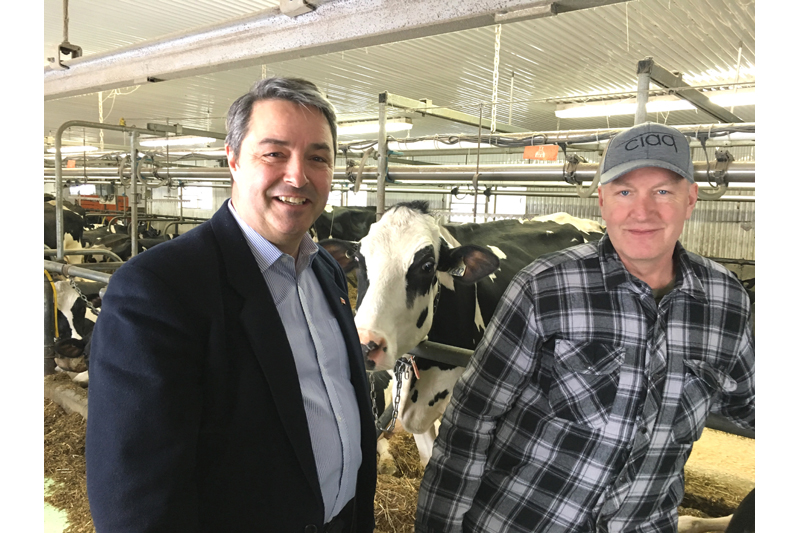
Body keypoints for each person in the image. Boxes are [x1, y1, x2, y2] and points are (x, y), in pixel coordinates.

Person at [415, 122, 755, 533]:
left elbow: (752, 405)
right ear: (602, 201)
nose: (642, 211)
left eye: (663, 191)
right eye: (625, 191)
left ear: (691, 199)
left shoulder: (727, 302)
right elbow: (472, 418)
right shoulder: (545, 286)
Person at [86, 77, 377, 533]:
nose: (298, 175)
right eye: (274, 153)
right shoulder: (156, 291)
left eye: (317, 157)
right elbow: (134, 502)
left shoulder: (326, 271)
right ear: (234, 159)